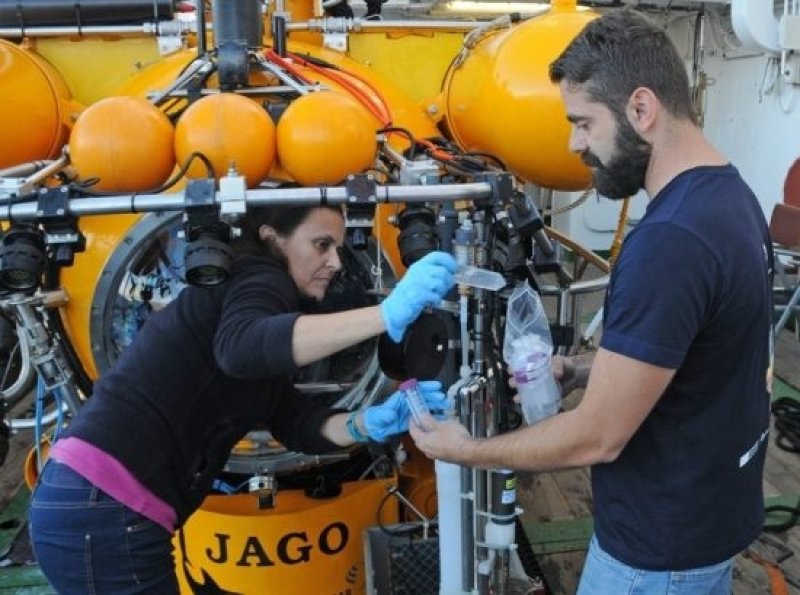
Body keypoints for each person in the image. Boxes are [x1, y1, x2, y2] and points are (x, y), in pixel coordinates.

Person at [410, 8, 773, 594]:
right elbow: (701, 359)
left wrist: (468, 449)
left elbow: (597, 437)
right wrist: (583, 369)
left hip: (654, 560)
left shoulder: (669, 242)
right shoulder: (730, 195)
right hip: (706, 527)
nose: (575, 144)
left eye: (583, 122)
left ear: (640, 109)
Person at [28, 203, 458, 594]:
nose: (335, 262)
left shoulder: (258, 310)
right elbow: (243, 348)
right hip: (104, 508)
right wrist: (385, 315)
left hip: (98, 507)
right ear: (273, 237)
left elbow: (292, 421)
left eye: (339, 248)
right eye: (321, 244)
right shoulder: (256, 276)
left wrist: (367, 422)